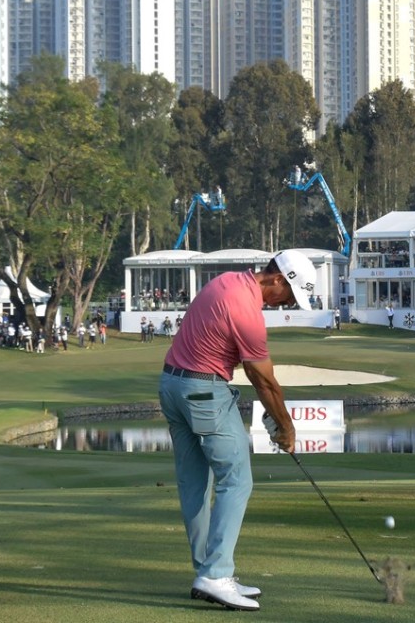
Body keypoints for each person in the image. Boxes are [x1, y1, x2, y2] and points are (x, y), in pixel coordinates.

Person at [158, 249, 316, 612]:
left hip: (171, 386)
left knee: (195, 483)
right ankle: (215, 575)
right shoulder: (247, 310)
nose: (285, 303)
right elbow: (265, 383)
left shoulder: (227, 281)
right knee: (237, 479)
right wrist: (286, 428)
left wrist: (276, 419)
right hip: (203, 391)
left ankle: (209, 574)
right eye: (289, 295)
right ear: (277, 279)